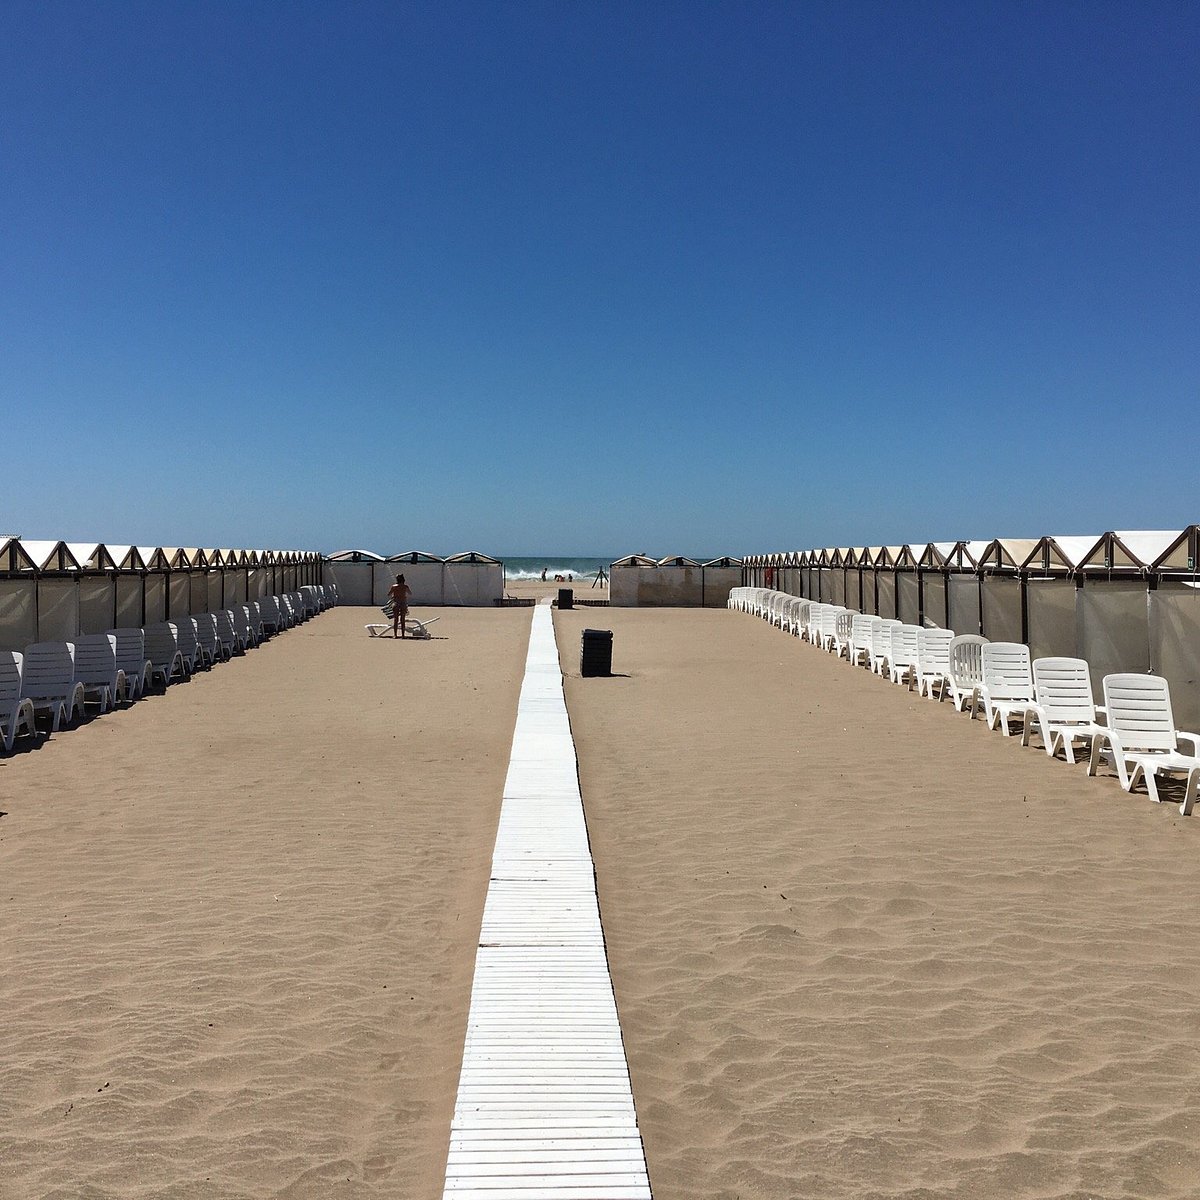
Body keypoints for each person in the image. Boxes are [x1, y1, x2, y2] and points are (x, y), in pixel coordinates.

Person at [388, 573, 412, 638]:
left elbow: (389, 594)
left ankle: (395, 635)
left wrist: (394, 594)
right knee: (402, 619)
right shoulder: (405, 587)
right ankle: (403, 635)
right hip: (403, 603)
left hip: (396, 603)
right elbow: (410, 593)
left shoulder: (394, 586)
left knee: (396, 619)